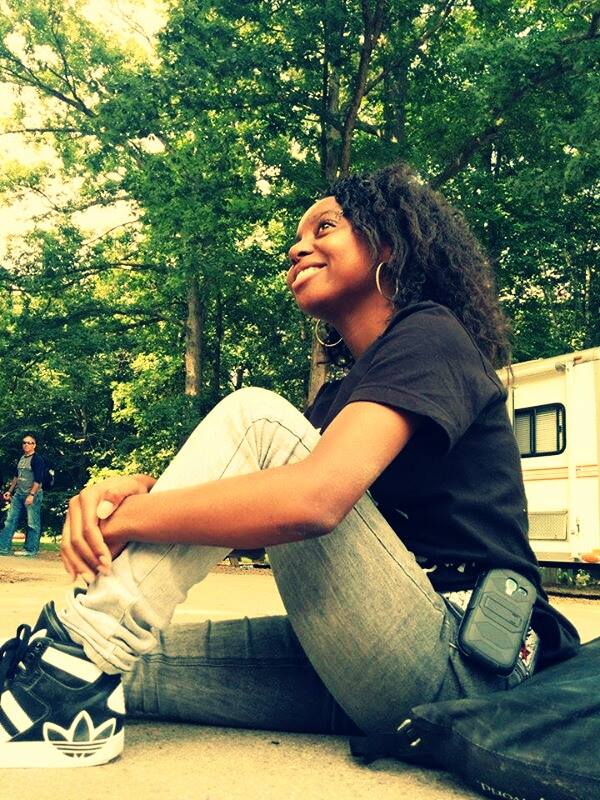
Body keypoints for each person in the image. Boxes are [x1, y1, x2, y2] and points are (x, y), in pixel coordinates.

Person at [0, 163, 579, 769]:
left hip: (468, 663)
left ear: (387, 243)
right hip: (367, 659)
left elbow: (309, 500)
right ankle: (56, 668)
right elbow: (249, 508)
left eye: (324, 227)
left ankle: (68, 661)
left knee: (254, 417)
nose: (296, 248)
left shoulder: (433, 334)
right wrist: (130, 494)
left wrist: (126, 521)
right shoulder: (340, 398)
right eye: (296, 238)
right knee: (126, 666)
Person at [0, 433, 44, 557]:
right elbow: (16, 476)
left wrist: (31, 495)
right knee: (10, 520)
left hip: (32, 495)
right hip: (18, 494)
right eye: (24, 442)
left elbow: (38, 480)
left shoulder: (37, 459)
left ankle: (30, 550)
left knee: (32, 523)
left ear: (34, 445)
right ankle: (3, 548)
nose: (26, 444)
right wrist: (10, 491)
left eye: (29, 443)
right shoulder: (22, 458)